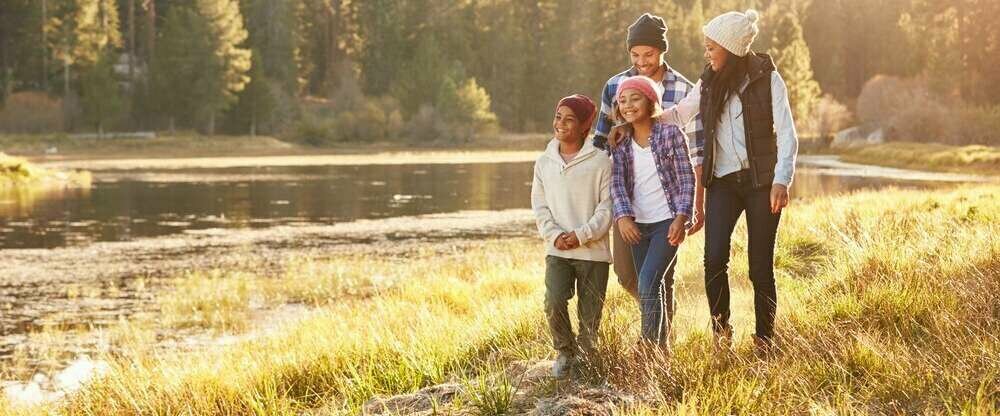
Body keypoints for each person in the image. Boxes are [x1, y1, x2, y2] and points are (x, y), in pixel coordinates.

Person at [657, 9, 799, 354]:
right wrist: (639, 120)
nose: (707, 54)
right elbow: (680, 114)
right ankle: (722, 331)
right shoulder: (709, 82)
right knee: (714, 258)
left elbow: (788, 134)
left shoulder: (768, 79)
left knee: (760, 265)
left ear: (732, 48)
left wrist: (782, 179)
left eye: (711, 48)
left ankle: (764, 339)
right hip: (721, 183)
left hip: (761, 182)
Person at [594, 13, 706, 301]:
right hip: (628, 199)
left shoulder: (683, 89)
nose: (641, 62)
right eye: (635, 54)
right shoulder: (613, 86)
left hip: (668, 202)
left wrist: (696, 206)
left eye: (649, 54)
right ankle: (656, 324)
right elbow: (600, 143)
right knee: (627, 274)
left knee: (660, 275)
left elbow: (697, 150)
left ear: (662, 50)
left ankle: (658, 342)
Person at [608, 76, 695, 351]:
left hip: (666, 224)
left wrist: (682, 218)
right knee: (649, 285)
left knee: (648, 281)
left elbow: (687, 179)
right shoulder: (620, 142)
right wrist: (623, 217)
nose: (628, 105)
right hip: (637, 227)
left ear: (650, 101)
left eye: (635, 98)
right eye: (622, 101)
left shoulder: (671, 135)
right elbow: (617, 183)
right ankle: (659, 350)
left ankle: (646, 347)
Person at [531, 94, 613, 377]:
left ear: (584, 126)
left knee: (590, 314)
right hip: (557, 250)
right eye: (558, 117)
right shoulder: (544, 162)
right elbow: (539, 206)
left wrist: (581, 235)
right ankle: (566, 352)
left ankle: (588, 361)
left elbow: (607, 209)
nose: (561, 124)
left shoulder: (601, 161)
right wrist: (556, 236)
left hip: (593, 251)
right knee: (553, 300)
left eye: (569, 119)